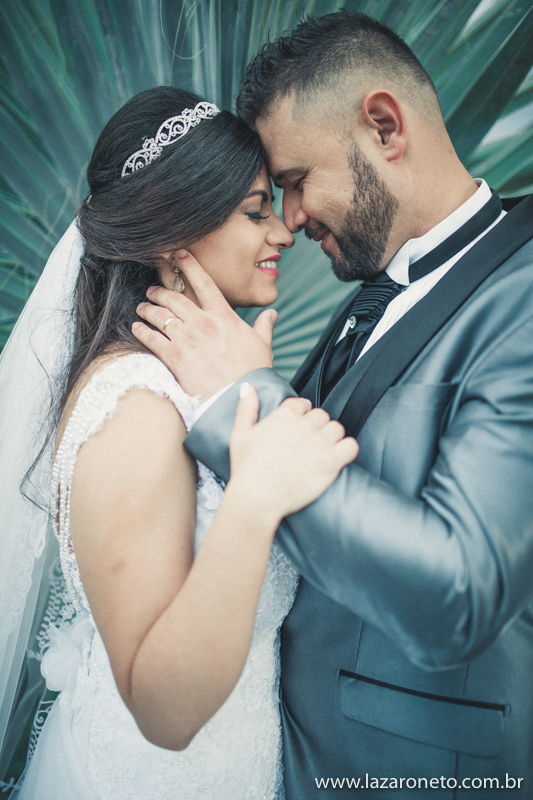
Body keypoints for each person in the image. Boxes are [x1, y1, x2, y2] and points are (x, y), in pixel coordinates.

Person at [132, 11, 533, 798]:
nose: (289, 219)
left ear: (384, 126)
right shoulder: (366, 294)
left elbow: (458, 593)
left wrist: (238, 400)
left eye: (292, 183)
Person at [0, 85, 358, 800]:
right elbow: (163, 710)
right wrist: (253, 495)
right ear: (172, 234)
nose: (283, 232)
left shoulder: (191, 384)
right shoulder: (136, 404)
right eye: (256, 211)